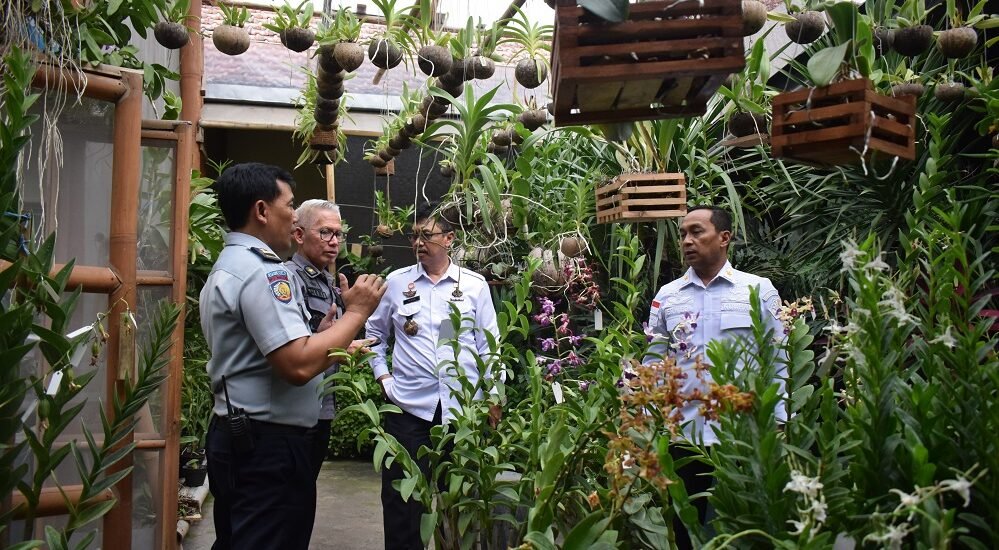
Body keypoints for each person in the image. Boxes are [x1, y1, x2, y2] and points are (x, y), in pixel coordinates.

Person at [200, 163, 386, 550]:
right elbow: (297, 365)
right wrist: (357, 313)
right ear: (262, 210)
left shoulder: (228, 266)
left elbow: (271, 352)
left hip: (241, 433)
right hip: (267, 445)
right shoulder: (264, 273)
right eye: (290, 205)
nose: (293, 215)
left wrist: (326, 343)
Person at [644, 205, 786, 550]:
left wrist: (779, 422)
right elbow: (654, 363)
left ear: (724, 238)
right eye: (682, 234)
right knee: (685, 527)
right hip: (685, 437)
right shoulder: (668, 297)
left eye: (696, 232)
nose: (687, 241)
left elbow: (779, 358)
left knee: (744, 525)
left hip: (743, 433)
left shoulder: (759, 290)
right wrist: (647, 422)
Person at [364, 204, 502, 550]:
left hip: (462, 413)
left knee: (462, 503)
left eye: (427, 234)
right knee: (402, 505)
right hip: (409, 412)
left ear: (449, 239)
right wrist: (383, 378)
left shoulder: (474, 285)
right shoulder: (397, 283)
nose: (418, 242)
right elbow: (373, 334)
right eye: (414, 235)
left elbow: (489, 344)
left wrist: (493, 397)